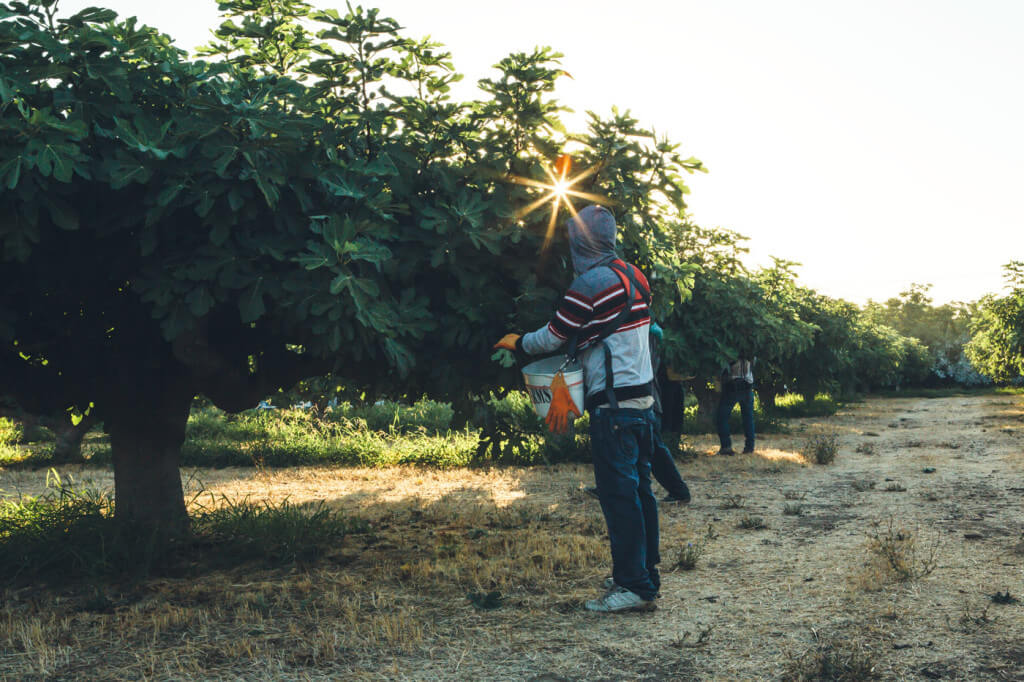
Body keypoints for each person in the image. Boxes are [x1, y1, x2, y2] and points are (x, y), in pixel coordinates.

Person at [494, 205, 661, 613]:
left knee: (620, 498)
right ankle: (645, 574)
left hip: (614, 409)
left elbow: (554, 336)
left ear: (580, 241)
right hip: (643, 404)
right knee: (641, 493)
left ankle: (633, 586)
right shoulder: (634, 275)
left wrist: (518, 342)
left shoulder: (588, 286)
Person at [584, 321, 690, 504]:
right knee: (645, 447)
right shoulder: (642, 327)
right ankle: (611, 487)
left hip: (640, 397)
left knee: (652, 448)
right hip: (638, 397)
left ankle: (678, 491)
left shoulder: (644, 331)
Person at [716, 356, 756, 455]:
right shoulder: (750, 351)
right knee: (748, 418)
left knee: (722, 417)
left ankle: (726, 447)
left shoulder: (731, 351)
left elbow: (723, 368)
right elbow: (753, 363)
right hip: (747, 386)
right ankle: (749, 447)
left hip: (732, 386)